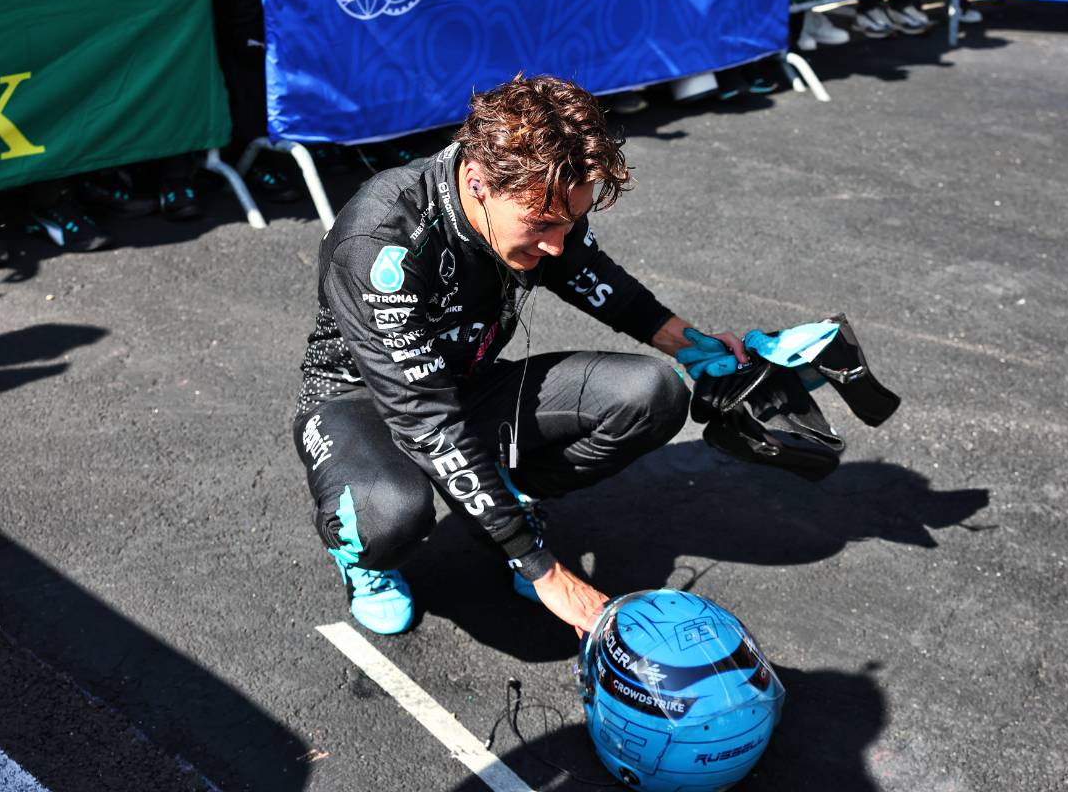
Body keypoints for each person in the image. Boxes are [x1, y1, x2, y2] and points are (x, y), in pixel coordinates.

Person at [291, 74, 748, 637]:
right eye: (542, 227)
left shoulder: (538, 197)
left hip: (467, 383)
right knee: (392, 515)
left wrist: (696, 347)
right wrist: (544, 569)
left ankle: (503, 498)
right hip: (359, 401)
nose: (557, 244)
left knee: (654, 392)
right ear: (478, 182)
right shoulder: (381, 238)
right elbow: (424, 419)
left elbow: (595, 280)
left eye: (571, 223)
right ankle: (364, 560)